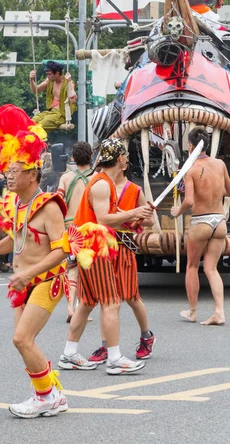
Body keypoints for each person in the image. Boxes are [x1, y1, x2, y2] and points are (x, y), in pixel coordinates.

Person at [58, 138, 153, 375]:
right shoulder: (101, 184)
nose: (127, 160)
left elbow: (110, 215)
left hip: (90, 247)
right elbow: (102, 219)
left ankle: (69, 354)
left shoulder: (102, 182)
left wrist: (133, 216)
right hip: (96, 246)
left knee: (88, 302)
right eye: (126, 156)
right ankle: (114, 358)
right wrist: (133, 212)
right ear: (120, 159)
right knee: (111, 302)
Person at [0, 104, 70, 418]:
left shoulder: (49, 206)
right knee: (22, 342)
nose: (8, 176)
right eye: (6, 171)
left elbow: (62, 250)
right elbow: (16, 241)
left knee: (21, 338)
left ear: (32, 173)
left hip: (45, 281)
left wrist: (28, 271)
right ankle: (48, 394)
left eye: (14, 171)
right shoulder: (14, 204)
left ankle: (46, 396)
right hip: (22, 284)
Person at [88, 167, 155, 365]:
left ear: (122, 164)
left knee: (131, 296)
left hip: (124, 246)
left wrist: (130, 215)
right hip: (103, 246)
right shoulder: (101, 185)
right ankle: (106, 345)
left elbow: (150, 220)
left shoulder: (134, 190)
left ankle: (146, 336)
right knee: (105, 298)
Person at [170, 126, 230, 325]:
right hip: (219, 221)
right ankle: (219, 312)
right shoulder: (220, 164)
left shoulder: (191, 169)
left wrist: (177, 212)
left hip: (201, 221)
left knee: (191, 266)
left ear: (190, 146)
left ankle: (193, 311)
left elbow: (189, 201)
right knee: (211, 268)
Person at [57, 142, 94, 322]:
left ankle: (71, 307)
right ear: (91, 157)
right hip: (89, 228)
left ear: (73, 157)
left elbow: (58, 203)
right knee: (86, 269)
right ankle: (81, 308)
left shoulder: (65, 178)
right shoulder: (96, 178)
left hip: (70, 227)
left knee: (71, 268)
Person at [30, 61, 77, 133]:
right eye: (47, 74)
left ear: (57, 73)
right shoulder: (49, 81)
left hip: (60, 114)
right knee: (30, 123)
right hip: (49, 112)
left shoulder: (69, 83)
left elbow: (73, 100)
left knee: (38, 128)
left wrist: (69, 82)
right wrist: (31, 79)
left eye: (50, 74)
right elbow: (36, 90)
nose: (48, 76)